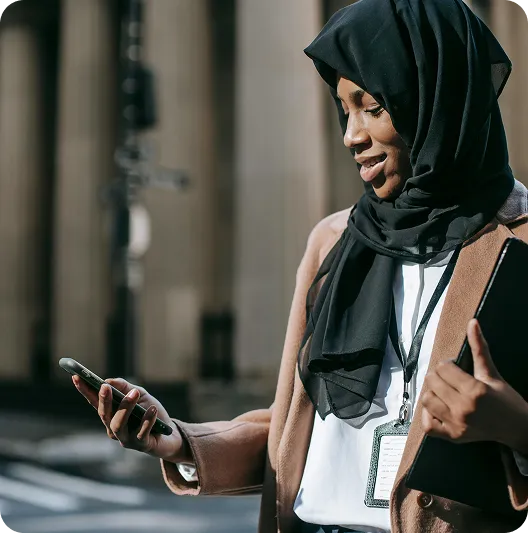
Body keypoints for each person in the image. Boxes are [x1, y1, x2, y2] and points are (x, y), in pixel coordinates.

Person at [73, 0, 528, 531]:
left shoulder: (515, 244)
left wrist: (517, 429)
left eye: (372, 107)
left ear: (437, 98)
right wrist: (177, 440)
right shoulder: (335, 243)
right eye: (345, 108)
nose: (351, 135)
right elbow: (296, 427)